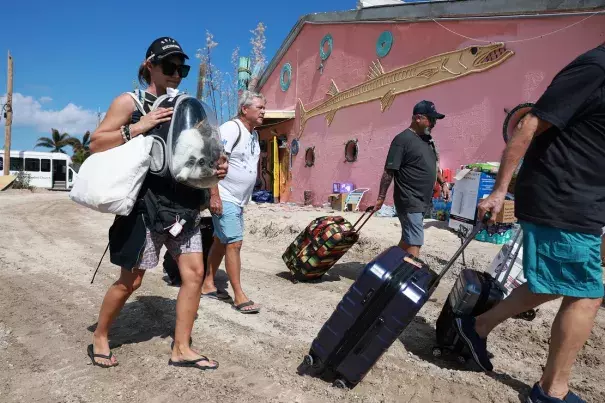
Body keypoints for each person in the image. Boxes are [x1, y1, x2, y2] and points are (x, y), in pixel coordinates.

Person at [455, 43, 605, 403]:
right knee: (587, 293)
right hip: (563, 195)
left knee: (554, 283)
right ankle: (551, 391)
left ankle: (479, 324)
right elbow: (529, 123)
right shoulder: (596, 68)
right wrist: (498, 190)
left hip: (582, 198)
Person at [87, 37, 228, 370]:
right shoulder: (130, 101)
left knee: (193, 275)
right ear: (150, 65)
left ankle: (181, 347)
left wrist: (217, 173)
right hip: (145, 205)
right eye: (169, 66)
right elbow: (95, 142)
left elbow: (202, 158)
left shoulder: (188, 108)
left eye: (182, 68)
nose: (176, 74)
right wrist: (140, 126)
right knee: (131, 280)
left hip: (184, 204)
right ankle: (100, 336)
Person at [201, 91, 265, 313]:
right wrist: (214, 195)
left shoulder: (254, 134)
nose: (263, 112)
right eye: (259, 108)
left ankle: (208, 284)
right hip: (225, 195)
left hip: (238, 200)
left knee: (221, 240)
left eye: (264, 108)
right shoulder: (231, 128)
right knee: (234, 244)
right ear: (245, 109)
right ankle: (239, 296)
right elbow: (213, 161)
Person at [374, 100, 450, 257]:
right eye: (431, 119)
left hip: (423, 201)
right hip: (409, 199)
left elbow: (433, 166)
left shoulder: (427, 140)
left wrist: (443, 183)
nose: (434, 123)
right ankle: (411, 277)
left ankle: (381, 264)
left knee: (407, 241)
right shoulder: (402, 140)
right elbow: (389, 171)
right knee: (415, 242)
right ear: (418, 118)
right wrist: (381, 198)